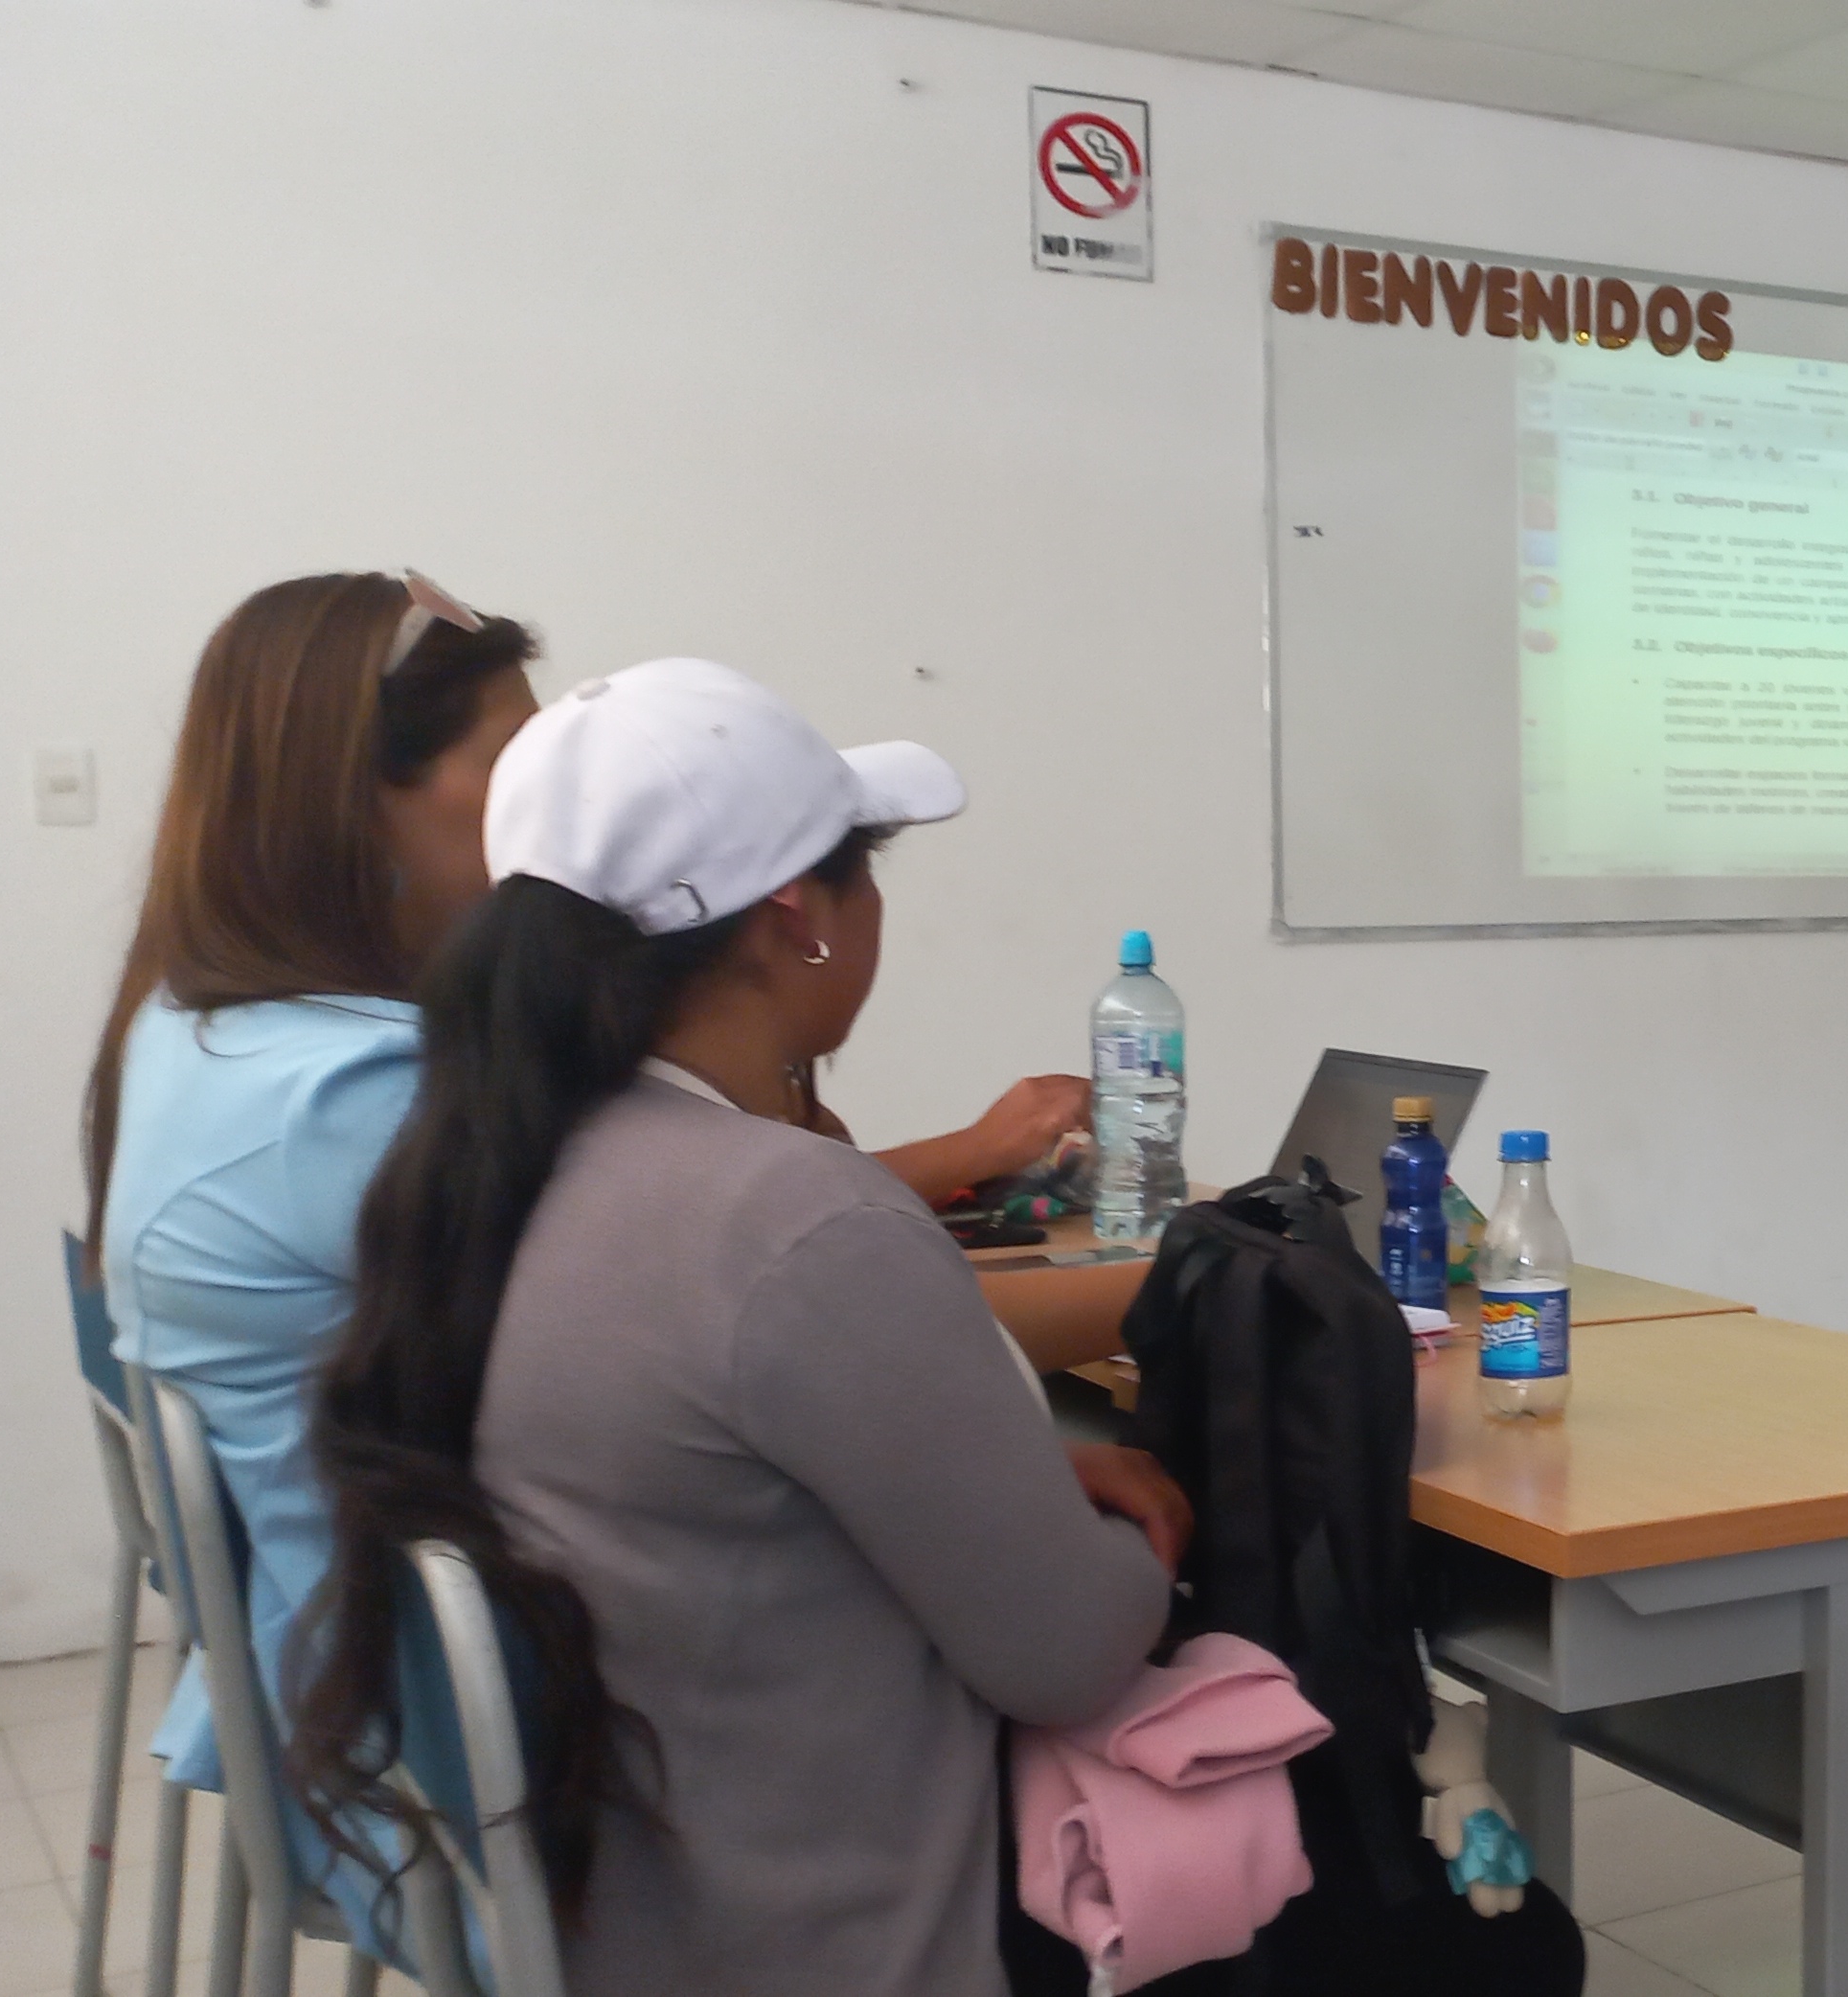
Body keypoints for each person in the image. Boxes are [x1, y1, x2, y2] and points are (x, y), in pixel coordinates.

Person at [82, 580, 1110, 1942]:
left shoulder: (213, 1033)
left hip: (389, 1694)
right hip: (511, 1787)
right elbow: (774, 1294)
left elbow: (750, 1279)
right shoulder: (361, 1096)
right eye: (514, 759)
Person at [285, 657, 1188, 1993]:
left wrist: (1013, 1485)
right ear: (797, 918)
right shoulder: (795, 1219)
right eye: (865, 870)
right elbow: (1070, 1653)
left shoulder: (482, 1176)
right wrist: (1136, 1522)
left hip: (619, 1913)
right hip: (843, 1942)